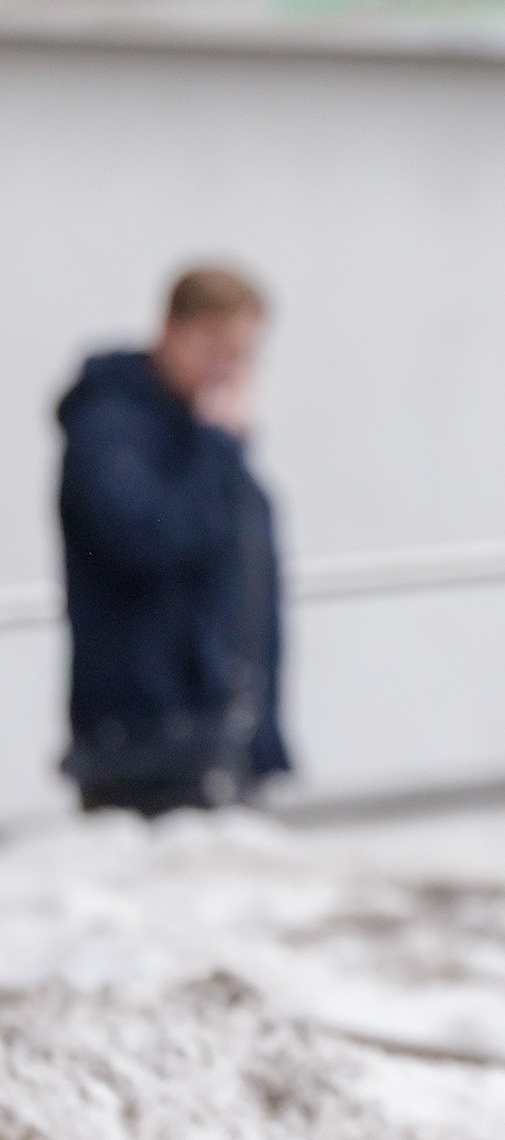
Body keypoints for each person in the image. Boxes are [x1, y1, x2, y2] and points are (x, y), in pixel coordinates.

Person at [56, 264, 291, 818]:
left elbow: (248, 589)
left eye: (242, 354)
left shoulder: (208, 441)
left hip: (218, 743)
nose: (227, 371)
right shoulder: (111, 430)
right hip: (143, 750)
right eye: (216, 347)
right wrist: (216, 444)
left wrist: (264, 737)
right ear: (172, 331)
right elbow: (148, 543)